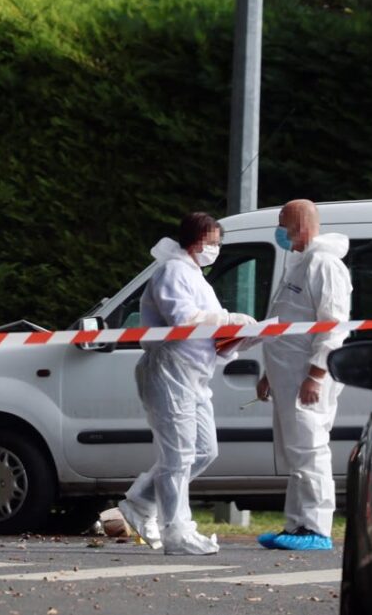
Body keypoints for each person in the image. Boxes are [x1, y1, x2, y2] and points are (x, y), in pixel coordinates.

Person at [116, 212, 257, 555]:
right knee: (177, 456)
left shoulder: (194, 274)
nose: (216, 249)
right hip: (169, 370)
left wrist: (236, 336)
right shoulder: (173, 271)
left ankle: (140, 503)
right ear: (195, 242)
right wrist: (228, 320)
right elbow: (183, 320)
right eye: (213, 243)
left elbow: (205, 332)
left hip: (193, 374)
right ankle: (176, 532)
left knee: (204, 451)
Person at [256, 199, 352, 551]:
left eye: (283, 224)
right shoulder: (300, 262)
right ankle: (297, 525)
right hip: (288, 376)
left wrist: (316, 373)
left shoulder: (325, 265)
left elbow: (333, 325)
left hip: (306, 379)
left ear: (300, 226)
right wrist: (269, 373)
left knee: (311, 451)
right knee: (298, 454)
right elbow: (287, 324)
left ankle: (316, 527)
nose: (279, 231)